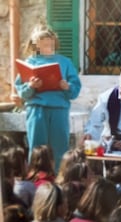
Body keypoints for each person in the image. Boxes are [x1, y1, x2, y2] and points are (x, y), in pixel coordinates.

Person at [14, 23, 82, 170]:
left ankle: (60, 179)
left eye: (51, 44)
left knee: (60, 148)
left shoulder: (65, 62)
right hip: (37, 110)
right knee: (37, 148)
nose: (48, 48)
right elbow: (21, 90)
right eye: (44, 45)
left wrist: (67, 87)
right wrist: (31, 86)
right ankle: (36, 180)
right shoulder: (30, 63)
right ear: (36, 45)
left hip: (59, 109)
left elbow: (75, 89)